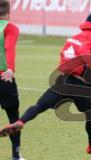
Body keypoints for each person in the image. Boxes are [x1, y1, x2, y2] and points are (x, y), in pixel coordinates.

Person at [0, 12, 91, 155]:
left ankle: (21, 121)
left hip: (64, 81)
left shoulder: (73, 38)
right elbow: (84, 51)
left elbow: (64, 59)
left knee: (39, 106)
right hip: (83, 86)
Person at [0, 1, 26, 160]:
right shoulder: (10, 28)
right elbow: (9, 47)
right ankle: (16, 155)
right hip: (4, 78)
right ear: (8, 13)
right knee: (13, 118)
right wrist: (10, 68)